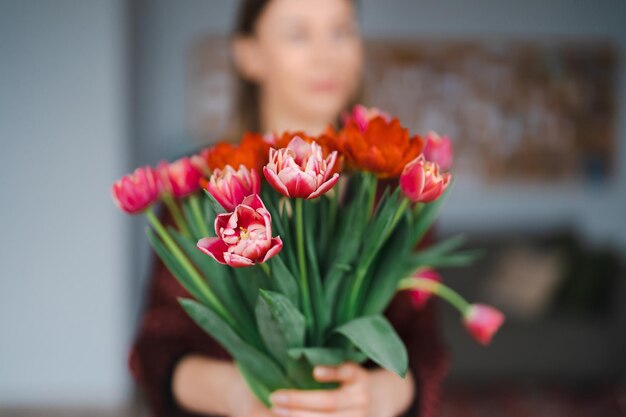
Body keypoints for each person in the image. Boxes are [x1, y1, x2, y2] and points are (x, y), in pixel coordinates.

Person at [128, 0, 449, 416]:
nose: (326, 55)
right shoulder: (201, 186)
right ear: (249, 55)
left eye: (341, 32)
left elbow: (424, 347)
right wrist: (243, 395)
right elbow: (154, 351)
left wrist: (380, 395)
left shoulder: (396, 191)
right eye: (298, 34)